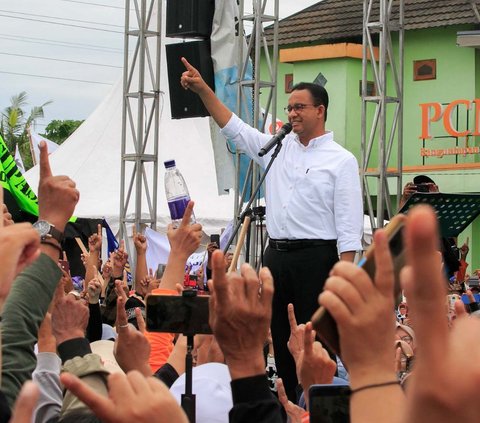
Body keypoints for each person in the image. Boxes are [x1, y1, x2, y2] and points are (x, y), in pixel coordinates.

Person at [180, 57, 363, 401]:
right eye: (289, 107)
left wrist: (344, 278)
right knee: (280, 339)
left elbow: (349, 227)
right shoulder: (276, 148)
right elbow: (234, 127)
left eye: (300, 108)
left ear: (320, 111)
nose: (292, 114)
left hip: (317, 259)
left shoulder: (341, 160)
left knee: (314, 339)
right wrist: (204, 90)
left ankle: (316, 405)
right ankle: (289, 402)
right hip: (276, 256)